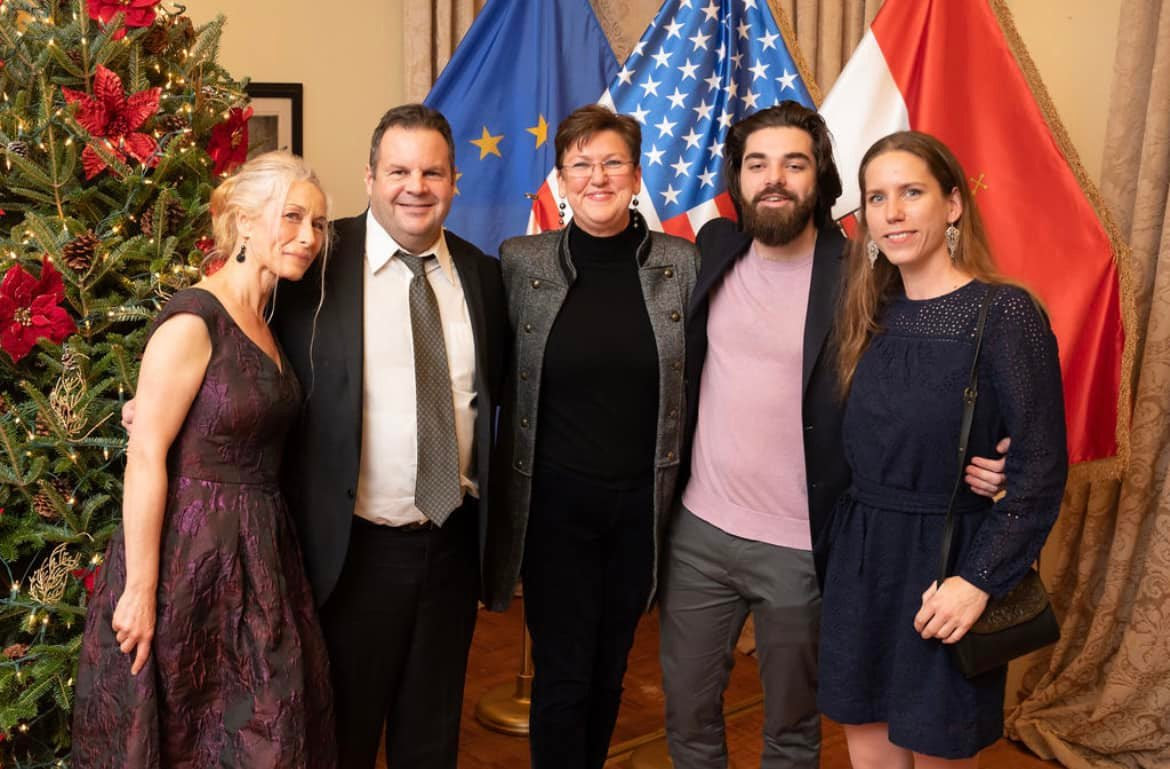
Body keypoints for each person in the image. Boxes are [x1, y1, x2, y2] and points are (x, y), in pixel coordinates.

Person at [659, 103, 1010, 769]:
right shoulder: (714, 247)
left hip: (807, 544)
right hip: (698, 534)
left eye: (794, 164)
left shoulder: (866, 274)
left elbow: (936, 369)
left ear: (820, 178)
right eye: (758, 164)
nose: (774, 178)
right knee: (687, 713)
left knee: (793, 730)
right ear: (737, 179)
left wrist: (994, 452)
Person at [73, 151, 336, 768]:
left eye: (319, 224)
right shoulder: (195, 319)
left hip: (261, 556)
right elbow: (145, 455)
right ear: (244, 221)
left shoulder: (270, 319)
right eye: (292, 217)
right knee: (189, 733)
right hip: (187, 563)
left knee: (265, 733)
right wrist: (140, 591)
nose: (308, 236)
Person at [817, 130, 1067, 767]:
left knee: (937, 749)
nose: (893, 213)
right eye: (877, 198)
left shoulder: (1005, 313)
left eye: (912, 193)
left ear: (953, 204)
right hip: (862, 564)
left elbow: (1040, 469)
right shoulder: (867, 310)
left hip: (948, 565)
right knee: (869, 751)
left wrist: (977, 582)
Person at [269, 104, 508, 769]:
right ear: (369, 177)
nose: (416, 187)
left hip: (452, 548)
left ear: (454, 181)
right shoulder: (315, 263)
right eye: (399, 171)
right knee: (339, 739)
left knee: (430, 740)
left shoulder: (482, 275)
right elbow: (242, 337)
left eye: (433, 172)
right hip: (350, 557)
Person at [484, 104, 697, 769]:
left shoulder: (681, 265)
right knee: (564, 675)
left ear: (635, 176)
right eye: (580, 164)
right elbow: (485, 372)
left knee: (610, 671)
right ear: (560, 179)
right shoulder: (520, 262)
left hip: (641, 508)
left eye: (612, 163)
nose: (596, 177)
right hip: (554, 508)